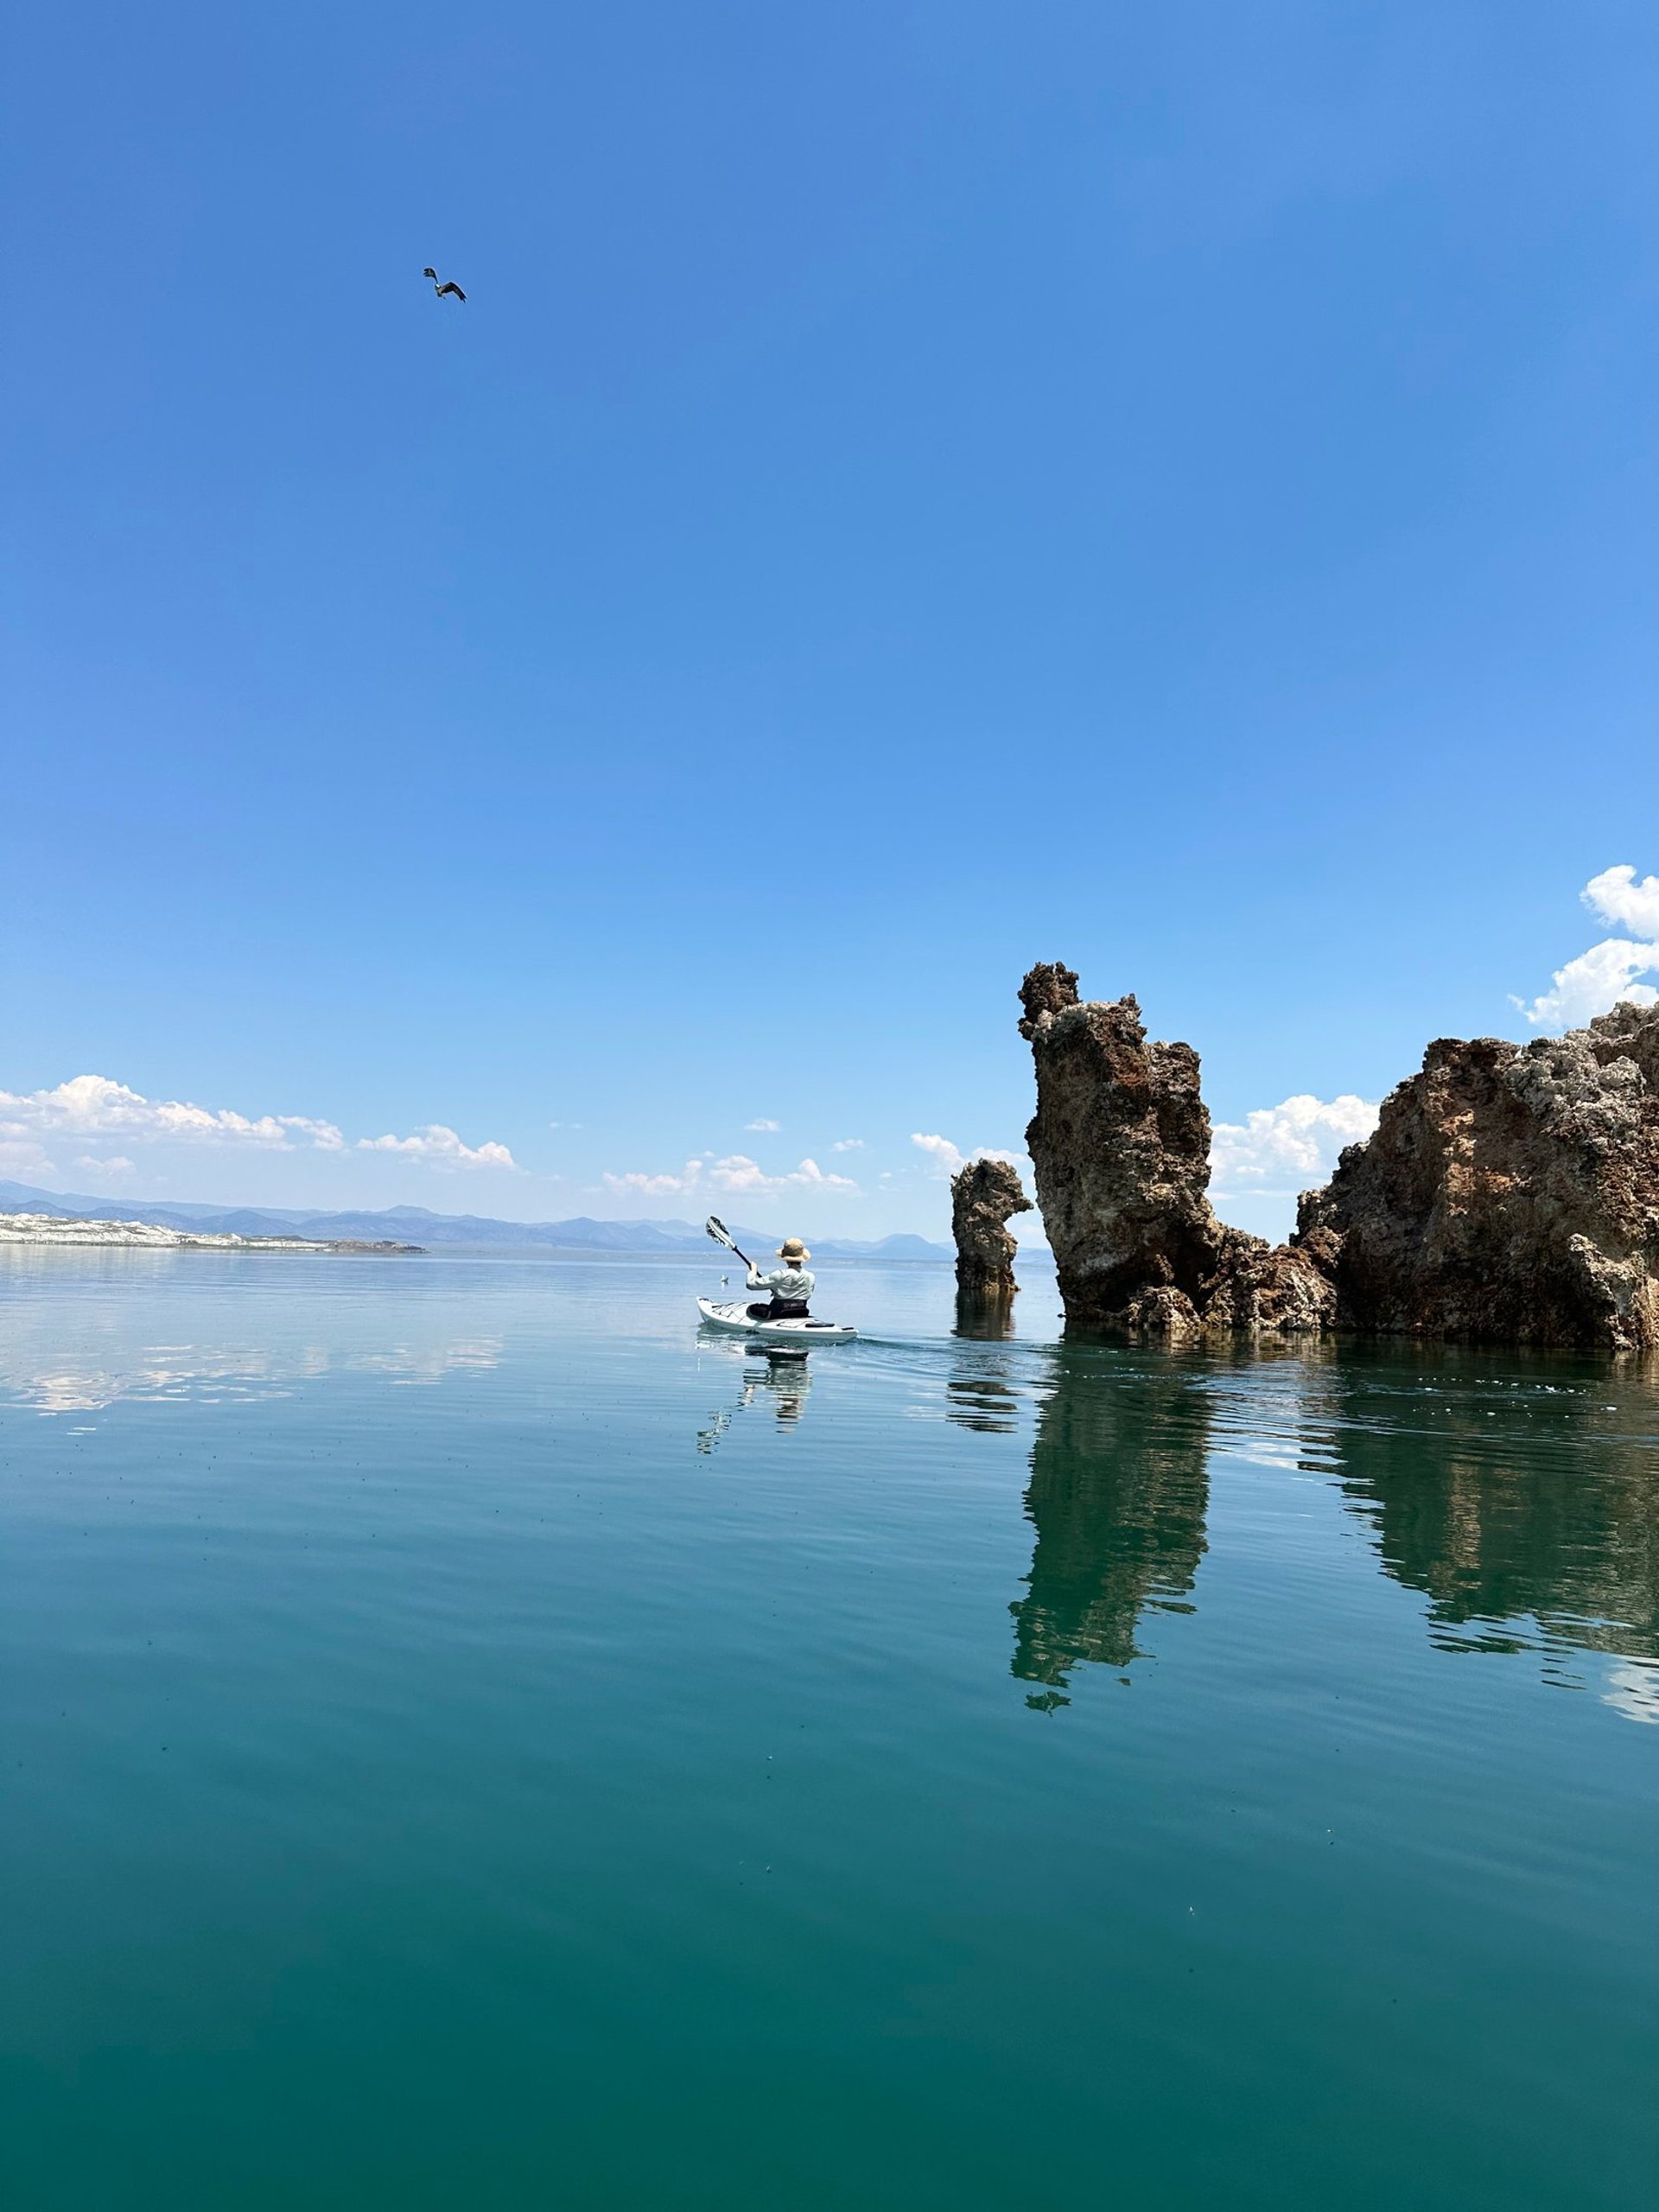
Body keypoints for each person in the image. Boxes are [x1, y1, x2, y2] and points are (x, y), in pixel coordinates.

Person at [747, 1237, 815, 1319]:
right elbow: (796, 1293)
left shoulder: (780, 1275)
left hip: (778, 1313)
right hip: (801, 1313)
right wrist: (778, 1291)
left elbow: (750, 1285)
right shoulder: (811, 1276)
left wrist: (753, 1271)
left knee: (752, 1308)